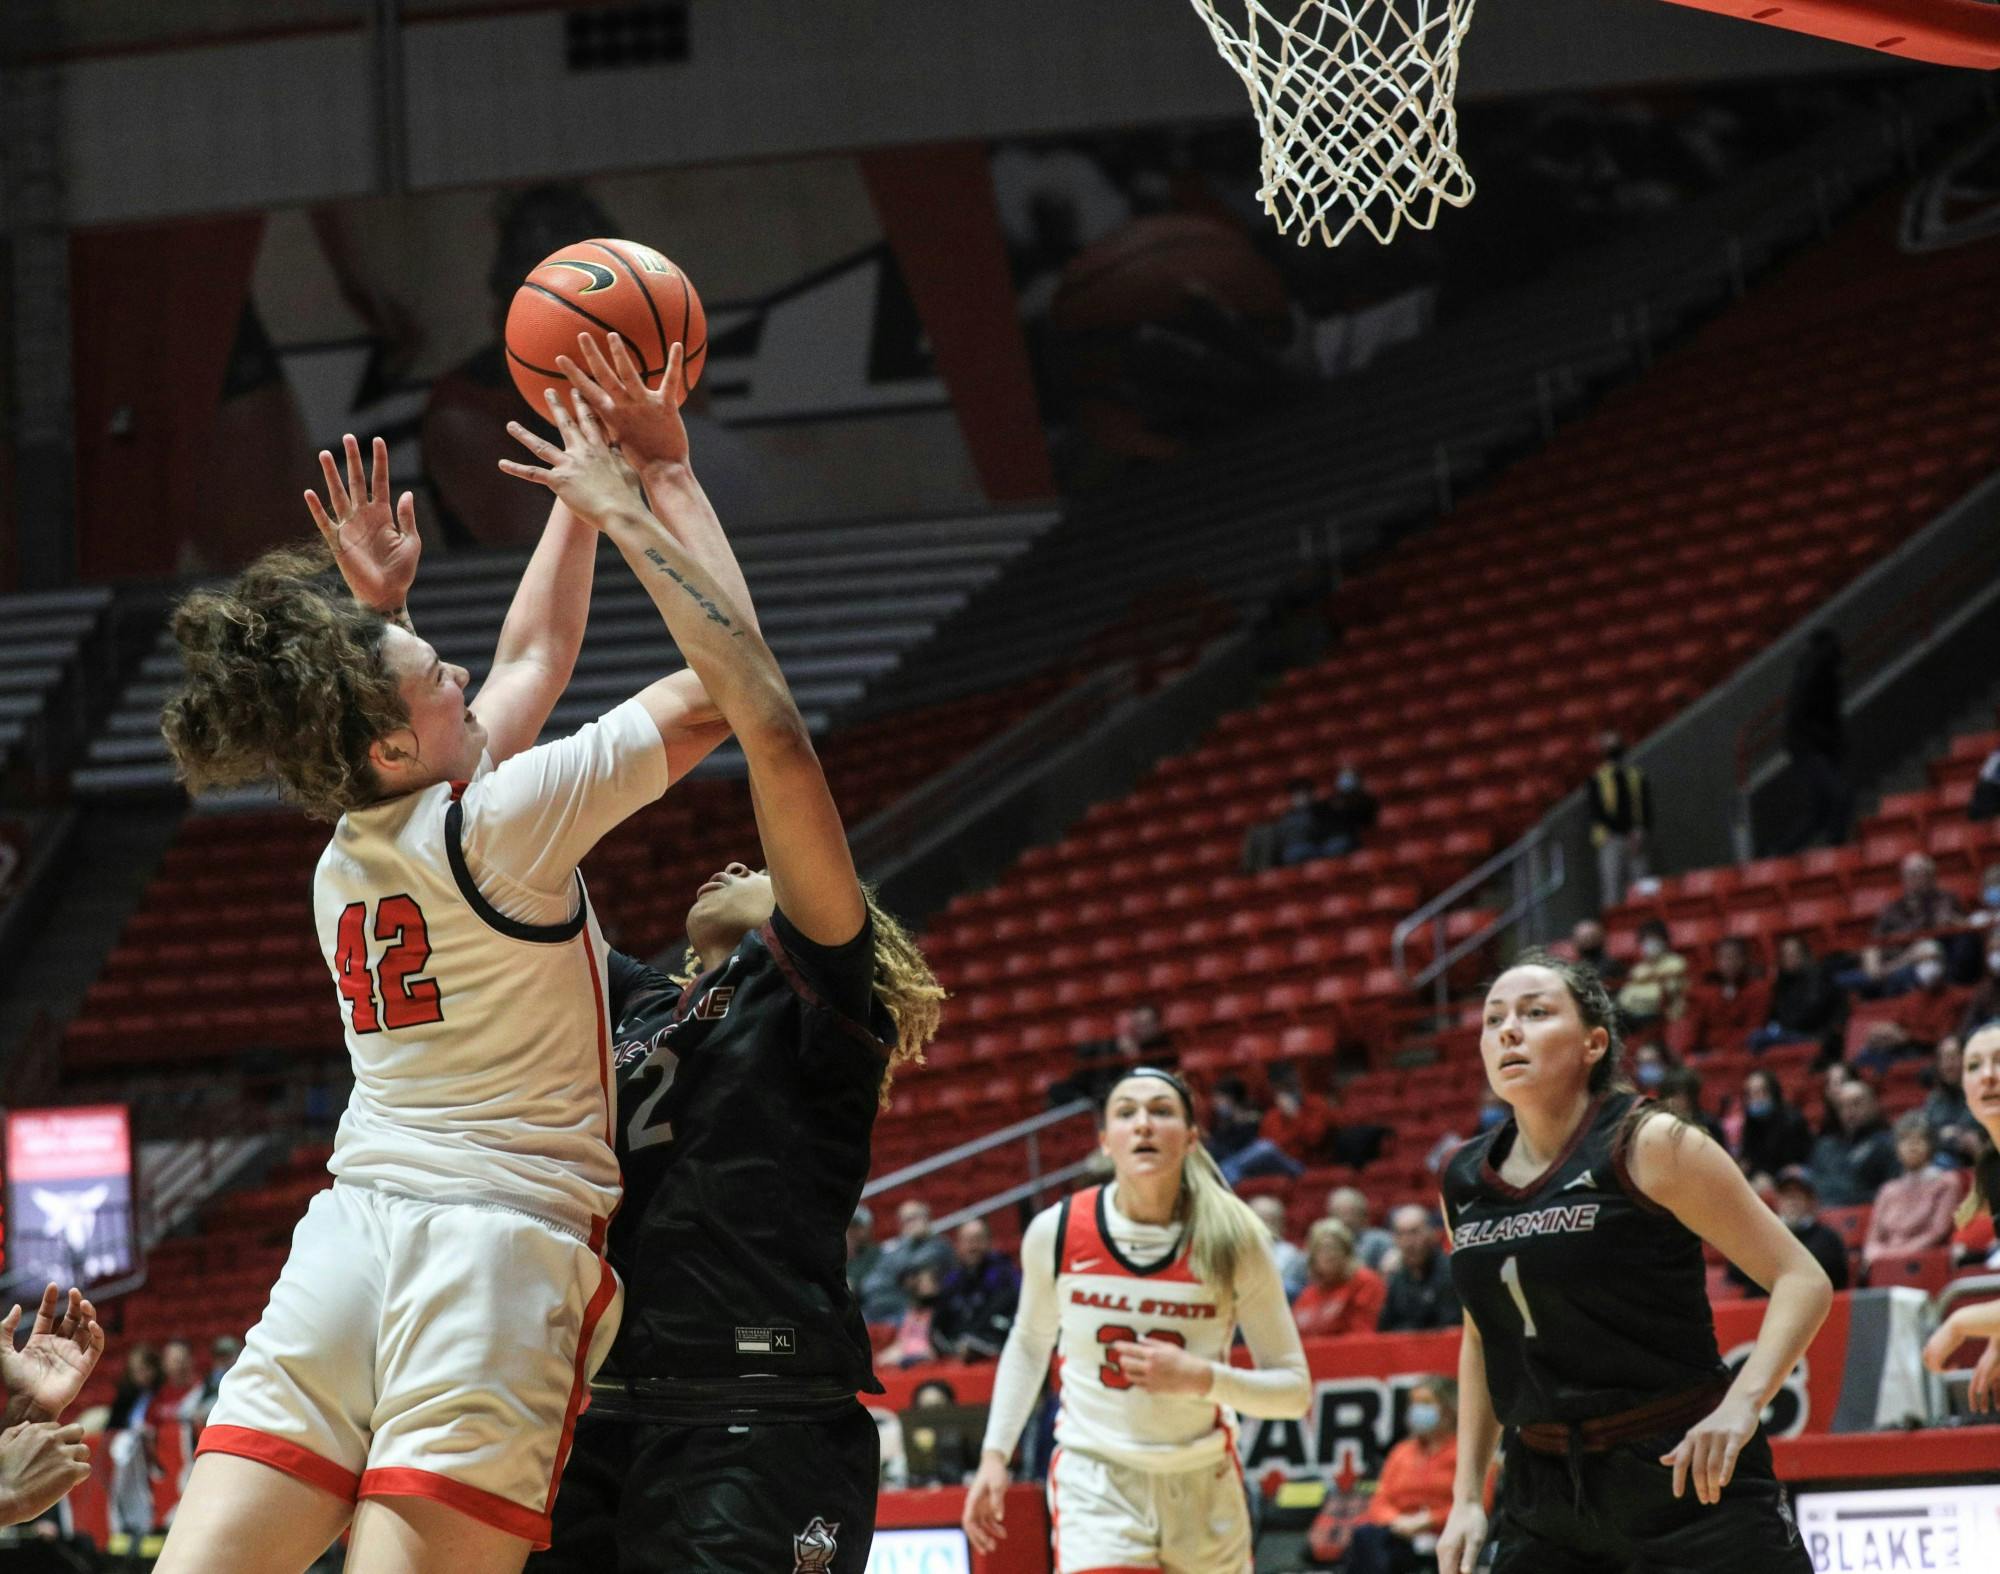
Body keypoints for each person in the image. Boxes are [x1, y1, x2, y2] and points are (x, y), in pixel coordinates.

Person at [155, 341, 755, 1572]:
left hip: (348, 1239)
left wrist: (408, 603)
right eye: (436, 672)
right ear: (389, 746)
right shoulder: (503, 822)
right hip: (493, 1248)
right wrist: (648, 494)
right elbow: (723, 685)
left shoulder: (342, 850)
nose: (465, 669)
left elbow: (525, 664)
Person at [515, 349, 942, 1572]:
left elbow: (766, 725)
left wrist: (646, 512)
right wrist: (669, 473)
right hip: (607, 1405)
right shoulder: (644, 999)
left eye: (762, 876)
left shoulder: (812, 992)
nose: (729, 863)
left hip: (760, 1409)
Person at [1436, 951, 1829, 1574]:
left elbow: (1802, 1278)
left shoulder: (1651, 1143)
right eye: (1493, 1019)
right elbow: (1484, 1334)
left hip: (1679, 1474)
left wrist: (1743, 1404)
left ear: (1594, 1043)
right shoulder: (1463, 1176)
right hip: (1544, 1489)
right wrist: (1465, 1496)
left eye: (1536, 1013)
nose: (1508, 1029)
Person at [961, 1069, 1312, 1570]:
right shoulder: (1056, 1231)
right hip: (1097, 1479)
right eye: (1126, 1113)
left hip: (1203, 1482)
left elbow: (1294, 1391)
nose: (1143, 1124)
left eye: (1161, 1111)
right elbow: (1030, 1343)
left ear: (1192, 1138)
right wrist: (994, 1455)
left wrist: (1202, 1378)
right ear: (1105, 1141)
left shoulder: (1236, 1238)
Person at [1922, 1022, 2000, 1404]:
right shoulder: (1992, 1168)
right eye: (1974, 1066)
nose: (1988, 1076)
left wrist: (1960, 1322)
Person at [1345, 1377, 1459, 1574]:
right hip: (1399, 1535)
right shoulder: (1401, 1452)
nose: (1417, 1410)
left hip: (1444, 1533)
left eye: (1425, 1403)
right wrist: (1397, 1521)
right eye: (1413, 1403)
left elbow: (1481, 1502)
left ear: (1448, 1408)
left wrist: (1429, 1520)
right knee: (1364, 1536)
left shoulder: (1464, 1452)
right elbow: (1379, 1501)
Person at [1778, 628, 1851, 852]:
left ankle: (1780, 853)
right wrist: (1828, 742)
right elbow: (1807, 716)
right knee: (1840, 796)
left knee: (1820, 812)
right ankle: (1837, 851)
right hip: (1809, 746)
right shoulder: (1816, 672)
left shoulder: (1814, 673)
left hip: (1812, 746)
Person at [1862, 1114, 1961, 1274]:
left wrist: (1895, 1256)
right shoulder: (1887, 1190)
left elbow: (1937, 1231)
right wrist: (1875, 1255)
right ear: (1896, 1148)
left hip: (1923, 1263)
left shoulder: (1947, 1182)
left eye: (1919, 1139)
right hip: (1885, 1264)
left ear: (1931, 1144)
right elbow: (1873, 1239)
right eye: (1905, 1140)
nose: (1912, 1145)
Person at [1726, 1169, 1849, 1296]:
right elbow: (1734, 1272)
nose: (1792, 1201)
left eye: (1798, 1195)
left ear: (1812, 1200)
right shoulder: (1761, 1234)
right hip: (1760, 1309)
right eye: (1786, 1195)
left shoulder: (1827, 1238)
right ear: (1777, 1200)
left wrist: (1767, 1263)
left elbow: (1830, 1271)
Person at [935, 1221, 1023, 1361]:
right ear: (958, 1244)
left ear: (989, 1242)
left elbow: (1012, 1319)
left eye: (978, 1239)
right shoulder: (951, 1280)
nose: (972, 1246)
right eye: (967, 1240)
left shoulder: (1006, 1275)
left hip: (999, 1352)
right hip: (957, 1353)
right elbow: (939, 1326)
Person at [861, 1200, 959, 1323]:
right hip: (876, 1307)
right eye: (905, 1220)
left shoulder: (940, 1244)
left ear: (927, 1218)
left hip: (909, 1309)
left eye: (914, 1218)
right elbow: (871, 1283)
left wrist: (908, 1246)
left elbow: (909, 1267)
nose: (911, 1224)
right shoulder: (895, 1248)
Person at [1808, 1079, 1900, 1206]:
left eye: (1856, 1103)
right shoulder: (1824, 1147)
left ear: (1874, 1104)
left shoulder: (1889, 1144)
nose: (1849, 1111)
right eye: (1842, 1106)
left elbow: (1892, 1192)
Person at [1290, 1219, 1387, 1338]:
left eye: (1334, 1248)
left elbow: (1362, 1335)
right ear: (1312, 1258)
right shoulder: (1307, 1295)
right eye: (1321, 1250)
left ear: (1347, 1253)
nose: (1329, 1255)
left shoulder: (1365, 1281)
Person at [1587, 732, 1651, 910]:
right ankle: (1616, 931)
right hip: (1610, 838)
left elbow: (1645, 806)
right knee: (1612, 888)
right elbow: (1597, 811)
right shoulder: (1598, 778)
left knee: (1641, 886)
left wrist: (1639, 831)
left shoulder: (1635, 775)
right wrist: (1618, 831)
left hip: (1636, 839)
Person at [1753, 934, 1844, 1052]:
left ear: (1804, 954)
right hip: (1788, 1033)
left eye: (1794, 953)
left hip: (1813, 1035)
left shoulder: (1818, 978)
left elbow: (1812, 1014)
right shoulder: (1781, 983)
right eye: (1786, 954)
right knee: (1757, 1036)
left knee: (1759, 1037)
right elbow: (1773, 1015)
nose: (1790, 958)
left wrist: (1783, 1027)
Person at [1376, 1206, 1461, 1333]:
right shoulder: (1396, 1279)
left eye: (1414, 1232)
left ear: (1433, 1233)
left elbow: (1451, 1328)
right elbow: (1384, 1330)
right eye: (1400, 1234)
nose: (1408, 1243)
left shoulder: (1452, 1272)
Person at [1682, 937, 1769, 1055]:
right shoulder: (1705, 994)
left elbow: (1754, 1028)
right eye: (1723, 958)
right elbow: (1695, 1029)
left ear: (1744, 959)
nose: (1728, 963)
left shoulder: (1758, 990)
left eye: (1733, 957)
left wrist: (1727, 1050)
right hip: (1710, 1054)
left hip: (1744, 1052)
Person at [1732, 1068, 1813, 1178]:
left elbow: (1791, 1161)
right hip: (1761, 1178)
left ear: (1773, 1093)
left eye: (1761, 1092)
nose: (1755, 1098)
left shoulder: (1792, 1121)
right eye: (1750, 1094)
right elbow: (1748, 1158)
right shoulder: (1751, 1122)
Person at [1616, 919, 1687, 1028]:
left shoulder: (1676, 963)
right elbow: (1624, 999)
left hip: (1662, 1017)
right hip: (1634, 1018)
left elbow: (1666, 994)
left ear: (1664, 941)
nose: (1649, 944)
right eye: (1645, 940)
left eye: (1654, 939)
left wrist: (1638, 1000)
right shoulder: (1638, 969)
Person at [1248, 1196, 1309, 1299]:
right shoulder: (1236, 1253)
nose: (1265, 1226)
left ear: (1280, 1224)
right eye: (1260, 1220)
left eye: (1271, 1220)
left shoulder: (1292, 1255)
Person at [1328, 1186, 1397, 1273]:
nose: (1347, 1219)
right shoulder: (1325, 1244)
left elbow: (1399, 1254)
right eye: (1341, 1213)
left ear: (1362, 1215)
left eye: (1351, 1212)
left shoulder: (1379, 1240)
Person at [1924, 1036, 1972, 1149]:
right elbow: (1925, 1133)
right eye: (1942, 1059)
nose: (1947, 1065)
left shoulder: (1985, 1093)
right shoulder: (1935, 1098)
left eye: (1952, 1058)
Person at [848, 1207, 888, 1321]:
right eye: (851, 1227)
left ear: (868, 1228)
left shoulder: (877, 1253)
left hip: (870, 1308)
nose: (853, 1232)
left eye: (857, 1227)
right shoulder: (843, 1255)